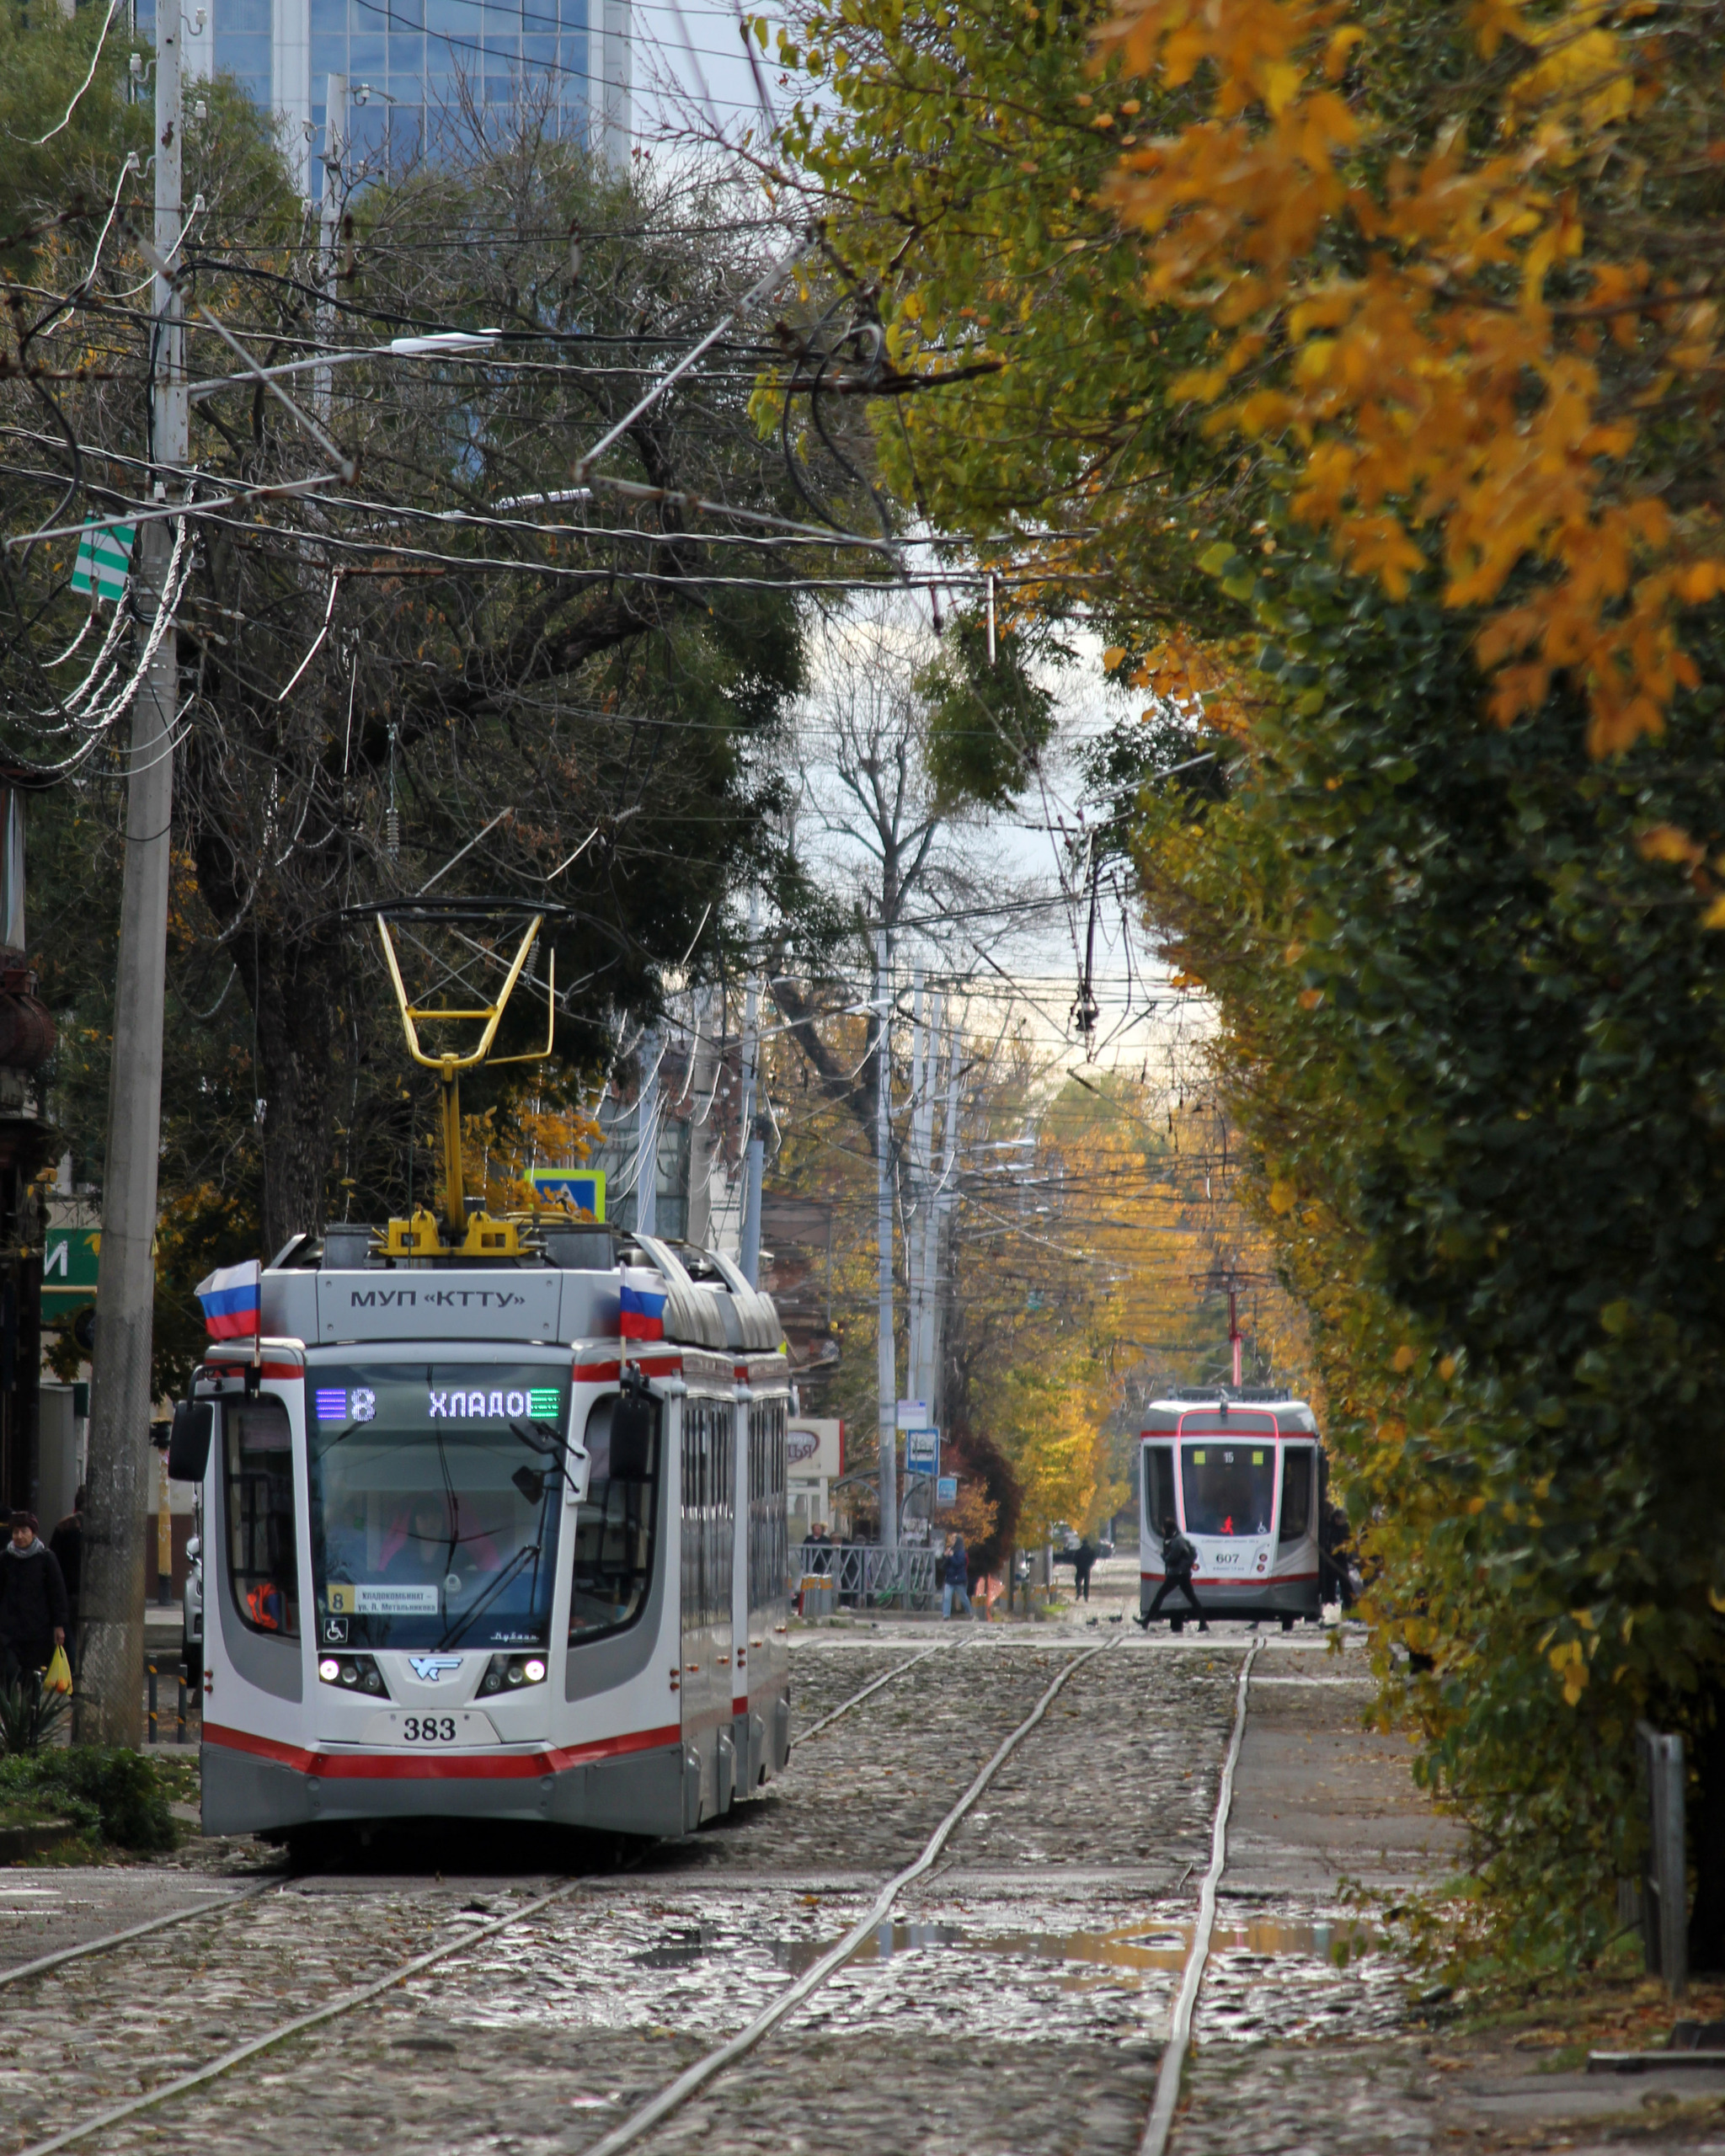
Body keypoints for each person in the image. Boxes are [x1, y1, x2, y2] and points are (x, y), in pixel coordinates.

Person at [0, 1513, 69, 1683]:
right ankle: (8, 1708)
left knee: (31, 1676)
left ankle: (29, 1709)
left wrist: (59, 1625)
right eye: (16, 1532)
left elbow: (57, 1593)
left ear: (34, 1533)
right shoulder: (6, 1558)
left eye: (24, 1531)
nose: (19, 1536)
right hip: (9, 1629)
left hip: (37, 1629)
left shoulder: (46, 1559)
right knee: (8, 1670)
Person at [1141, 1523, 1209, 1633]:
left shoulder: (1177, 1542)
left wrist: (1163, 1556)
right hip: (1182, 1574)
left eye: (1164, 1529)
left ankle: (1146, 1621)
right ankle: (1203, 1623)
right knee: (1192, 1599)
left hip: (1177, 1574)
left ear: (1168, 1529)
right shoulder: (1180, 1539)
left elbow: (1171, 1559)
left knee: (1160, 1596)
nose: (1163, 1532)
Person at [49, 1486, 83, 1665]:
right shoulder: (95, 1530)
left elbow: (53, 1560)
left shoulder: (64, 1527)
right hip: (87, 1592)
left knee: (68, 1636)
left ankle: (71, 1674)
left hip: (67, 1591)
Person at [941, 1532, 974, 1620]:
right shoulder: (950, 1550)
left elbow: (958, 1564)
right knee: (947, 1597)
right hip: (949, 1579)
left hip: (959, 1580)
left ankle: (970, 1612)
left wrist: (951, 1557)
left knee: (963, 1598)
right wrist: (945, 1556)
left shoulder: (961, 1553)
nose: (951, 1541)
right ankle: (946, 1615)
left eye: (954, 1539)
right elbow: (944, 1565)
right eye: (951, 1539)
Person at [1072, 1537, 1097, 1604]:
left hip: (1080, 1568)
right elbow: (1093, 1560)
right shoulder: (1091, 1551)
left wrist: (1077, 1565)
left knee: (1077, 1581)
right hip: (1086, 1569)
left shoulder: (1078, 1551)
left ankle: (1079, 1592)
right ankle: (1086, 1596)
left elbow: (1074, 1560)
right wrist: (1089, 1565)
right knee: (1086, 1584)